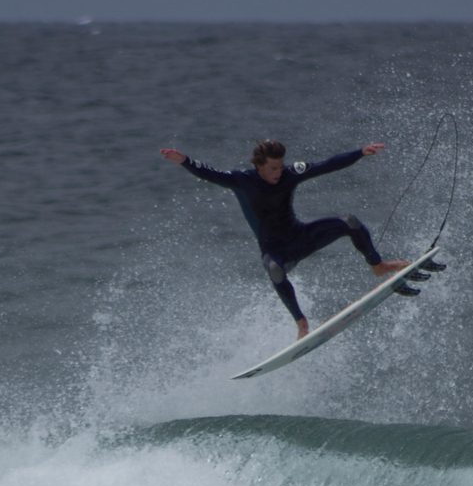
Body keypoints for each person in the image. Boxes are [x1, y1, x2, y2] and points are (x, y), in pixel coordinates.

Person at [161, 139, 412, 339]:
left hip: (302, 237)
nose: (279, 172)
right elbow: (208, 173)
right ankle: (301, 323)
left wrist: (360, 152)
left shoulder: (291, 173)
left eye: (281, 166)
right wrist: (183, 160)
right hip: (277, 252)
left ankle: (378, 266)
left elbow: (328, 164)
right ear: (259, 166)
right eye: (273, 168)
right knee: (274, 269)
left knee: (350, 222)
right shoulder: (241, 180)